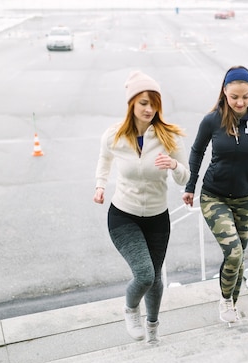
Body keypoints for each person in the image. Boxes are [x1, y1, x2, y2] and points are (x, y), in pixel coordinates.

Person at [93, 70, 190, 344]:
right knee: (145, 274)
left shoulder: (169, 137)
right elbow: (104, 160)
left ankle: (153, 325)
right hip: (123, 215)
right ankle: (131, 308)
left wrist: (174, 166)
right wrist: (100, 185)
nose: (149, 109)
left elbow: (186, 176)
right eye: (143, 102)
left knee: (156, 278)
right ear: (132, 104)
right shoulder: (114, 136)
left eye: (154, 103)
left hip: (158, 217)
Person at [182, 65, 248, 324]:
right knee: (234, 252)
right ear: (225, 92)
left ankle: (232, 305)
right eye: (234, 96)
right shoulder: (212, 120)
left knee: (239, 256)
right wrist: (190, 186)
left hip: (244, 199)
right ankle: (226, 301)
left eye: (245, 97)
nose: (240, 102)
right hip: (214, 196)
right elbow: (196, 152)